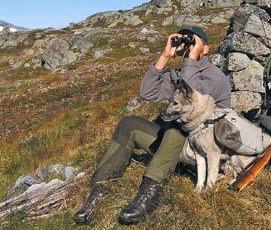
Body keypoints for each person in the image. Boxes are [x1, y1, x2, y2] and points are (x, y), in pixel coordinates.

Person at [74, 26, 231, 225]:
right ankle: (98, 191)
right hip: (172, 144)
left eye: (194, 40)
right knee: (128, 124)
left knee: (177, 129)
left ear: (206, 49)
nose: (188, 44)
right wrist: (165, 56)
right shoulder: (180, 73)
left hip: (200, 147)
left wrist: (190, 60)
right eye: (185, 40)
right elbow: (148, 93)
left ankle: (147, 196)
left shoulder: (214, 76)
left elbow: (194, 103)